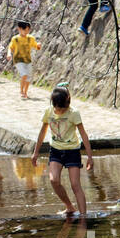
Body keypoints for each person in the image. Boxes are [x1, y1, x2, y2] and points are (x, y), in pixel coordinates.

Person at [30, 85, 93, 218]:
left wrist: (89, 157)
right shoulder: (49, 112)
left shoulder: (73, 113)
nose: (59, 111)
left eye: (62, 109)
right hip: (56, 151)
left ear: (68, 104)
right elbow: (42, 132)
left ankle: (83, 218)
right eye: (57, 109)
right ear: (53, 104)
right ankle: (69, 206)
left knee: (75, 185)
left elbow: (83, 134)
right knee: (54, 180)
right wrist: (36, 152)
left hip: (72, 151)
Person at [7, 20, 39, 99]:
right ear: (19, 29)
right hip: (18, 60)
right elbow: (10, 47)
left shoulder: (30, 38)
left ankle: (25, 92)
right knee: (24, 74)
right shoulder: (15, 39)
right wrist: (8, 54)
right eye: (24, 29)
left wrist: (38, 46)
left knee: (29, 77)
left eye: (28, 30)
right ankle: (21, 90)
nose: (26, 31)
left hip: (28, 60)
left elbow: (36, 46)